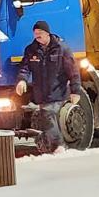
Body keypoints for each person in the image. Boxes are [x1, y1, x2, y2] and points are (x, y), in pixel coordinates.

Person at [13, 19, 82, 152]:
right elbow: (25, 68)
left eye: (39, 33)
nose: (36, 36)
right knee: (49, 119)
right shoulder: (31, 50)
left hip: (58, 91)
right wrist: (22, 80)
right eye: (35, 33)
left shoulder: (62, 49)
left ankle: (58, 146)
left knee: (48, 115)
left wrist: (75, 91)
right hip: (41, 93)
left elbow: (73, 70)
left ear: (47, 33)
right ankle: (52, 146)